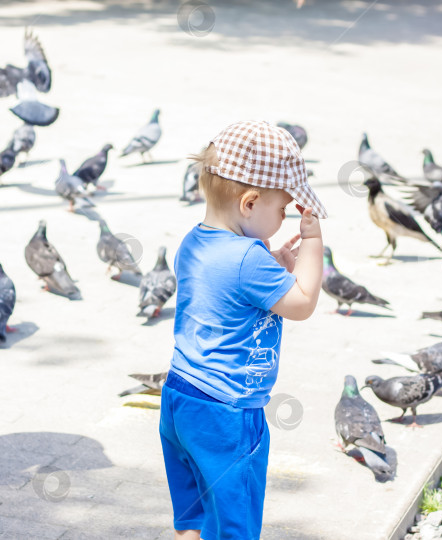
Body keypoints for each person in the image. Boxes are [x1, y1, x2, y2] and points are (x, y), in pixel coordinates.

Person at [159, 120, 327, 540]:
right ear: (250, 203)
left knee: (193, 519)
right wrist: (312, 241)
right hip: (226, 414)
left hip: (181, 399)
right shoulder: (249, 261)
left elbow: (228, 290)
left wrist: (275, 266)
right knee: (234, 528)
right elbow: (303, 302)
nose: (287, 215)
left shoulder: (193, 242)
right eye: (284, 208)